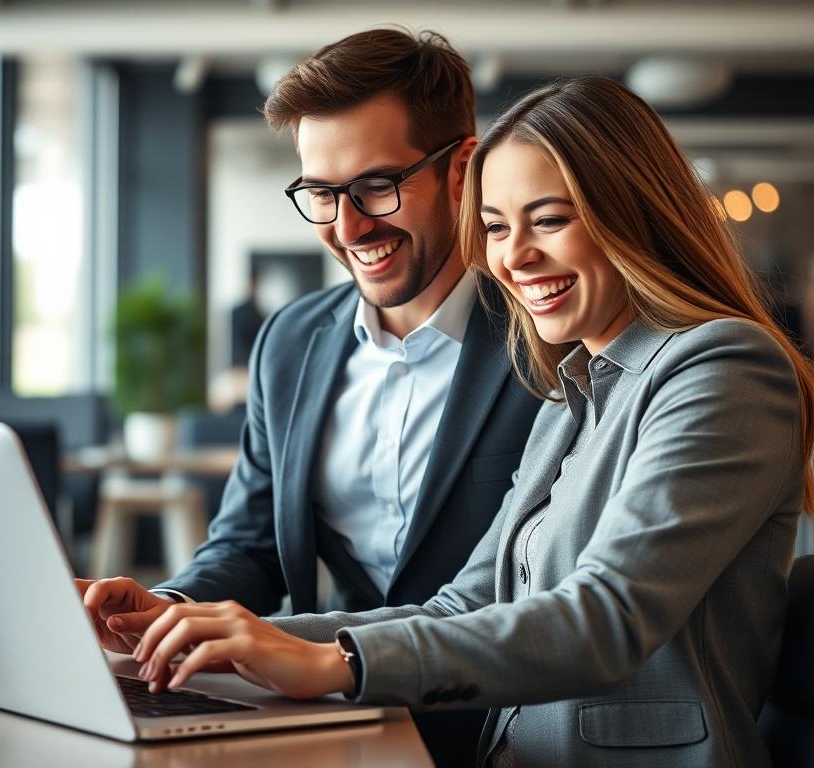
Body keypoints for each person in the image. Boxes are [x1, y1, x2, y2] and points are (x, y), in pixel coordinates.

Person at [107, 76, 814, 767]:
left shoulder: (724, 366)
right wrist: (219, 633)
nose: (513, 256)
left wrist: (333, 664)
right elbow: (466, 601)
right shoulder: (573, 385)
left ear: (631, 212)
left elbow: (606, 619)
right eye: (498, 227)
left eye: (549, 219)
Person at [79, 28, 541, 763]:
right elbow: (249, 543)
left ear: (463, 170)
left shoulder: (548, 340)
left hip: (507, 727)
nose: (349, 227)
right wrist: (167, 612)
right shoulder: (290, 343)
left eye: (376, 186)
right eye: (321, 194)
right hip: (336, 719)